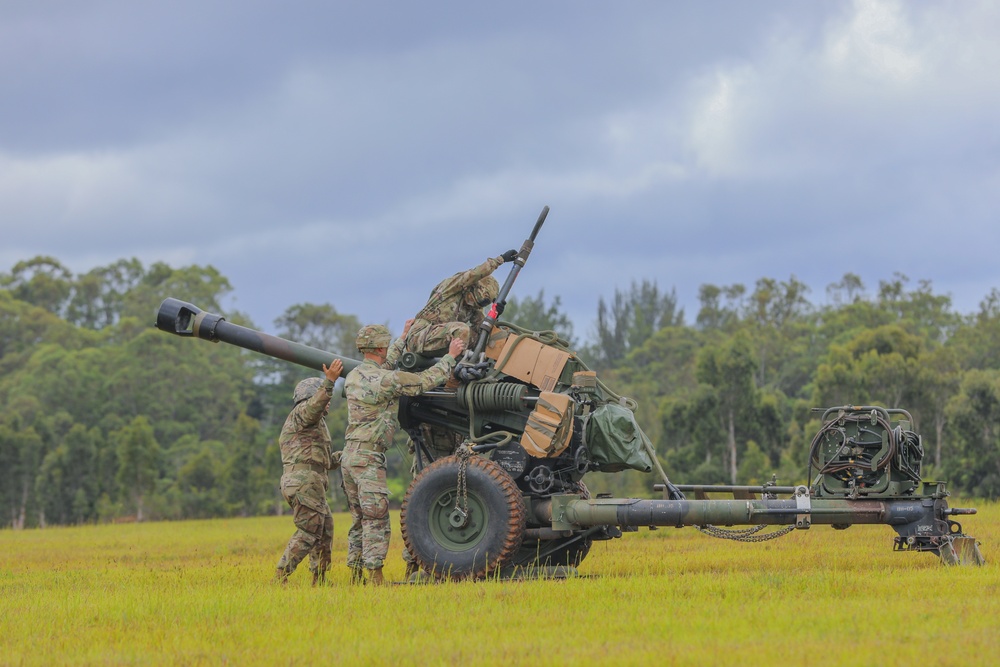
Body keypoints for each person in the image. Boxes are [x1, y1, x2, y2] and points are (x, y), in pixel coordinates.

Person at [342, 321, 466, 585]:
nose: (389, 347)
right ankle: (375, 579)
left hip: (350, 456)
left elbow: (385, 367)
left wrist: (403, 336)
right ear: (378, 347)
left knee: (358, 519)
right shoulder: (387, 380)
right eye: (386, 344)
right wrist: (451, 356)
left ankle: (354, 576)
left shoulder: (355, 376)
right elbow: (423, 382)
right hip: (367, 459)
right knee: (376, 519)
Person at [273, 358, 344, 587]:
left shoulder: (314, 424)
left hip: (309, 481)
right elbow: (314, 407)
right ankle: (281, 575)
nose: (328, 402)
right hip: (304, 483)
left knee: (324, 528)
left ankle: (320, 579)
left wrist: (347, 456)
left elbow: (322, 461)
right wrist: (330, 382)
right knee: (308, 531)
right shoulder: (302, 413)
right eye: (324, 397)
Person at [404, 250, 518, 358]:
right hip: (420, 336)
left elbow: (482, 330)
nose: (476, 305)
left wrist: (495, 314)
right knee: (462, 329)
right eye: (479, 300)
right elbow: (474, 274)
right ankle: (457, 368)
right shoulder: (452, 288)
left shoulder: (473, 307)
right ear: (473, 287)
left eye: (483, 304)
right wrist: (500, 259)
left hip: (441, 340)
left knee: (485, 337)